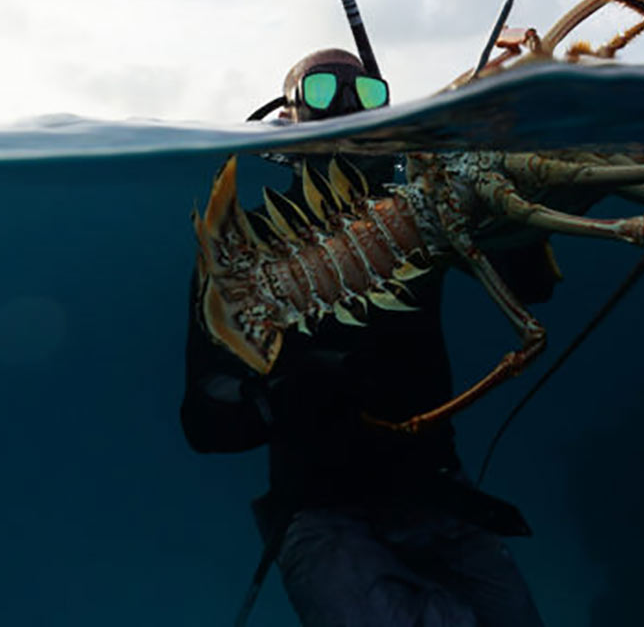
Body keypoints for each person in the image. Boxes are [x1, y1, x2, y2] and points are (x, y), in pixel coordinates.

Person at [181, 48, 553, 626]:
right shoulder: (244, 246)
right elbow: (202, 418)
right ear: (290, 114)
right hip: (321, 506)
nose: (350, 105)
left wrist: (520, 203)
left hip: (439, 492)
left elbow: (529, 284)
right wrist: (283, 396)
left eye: (371, 92)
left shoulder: (417, 209)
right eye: (323, 91)